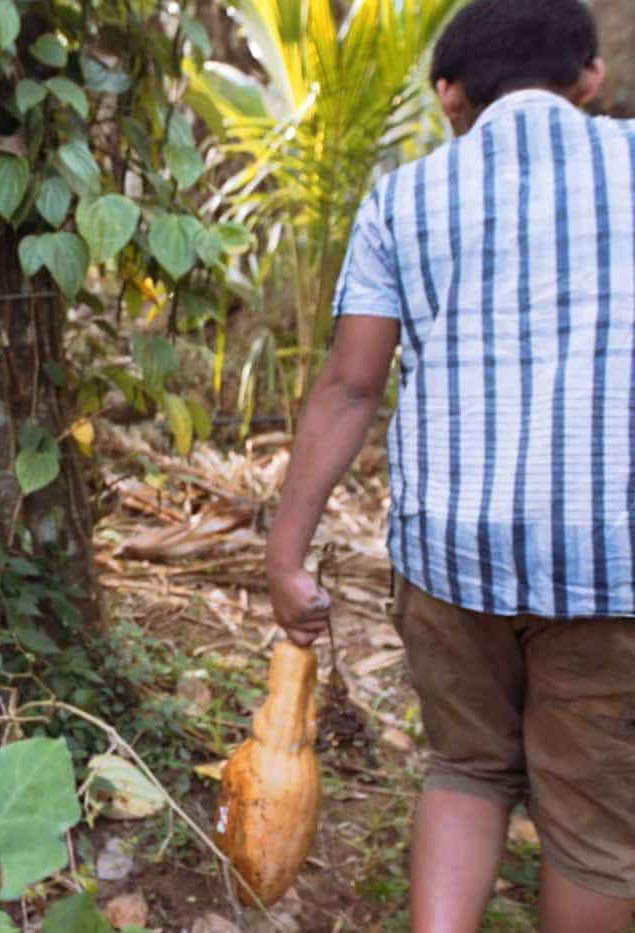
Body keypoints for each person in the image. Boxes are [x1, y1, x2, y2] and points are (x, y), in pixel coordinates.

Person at [264, 0, 634, 929]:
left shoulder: (404, 197)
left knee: (464, 766)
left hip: (450, 556)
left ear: (449, 97)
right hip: (612, 561)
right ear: (589, 77)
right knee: (595, 827)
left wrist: (286, 554)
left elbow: (351, 387)